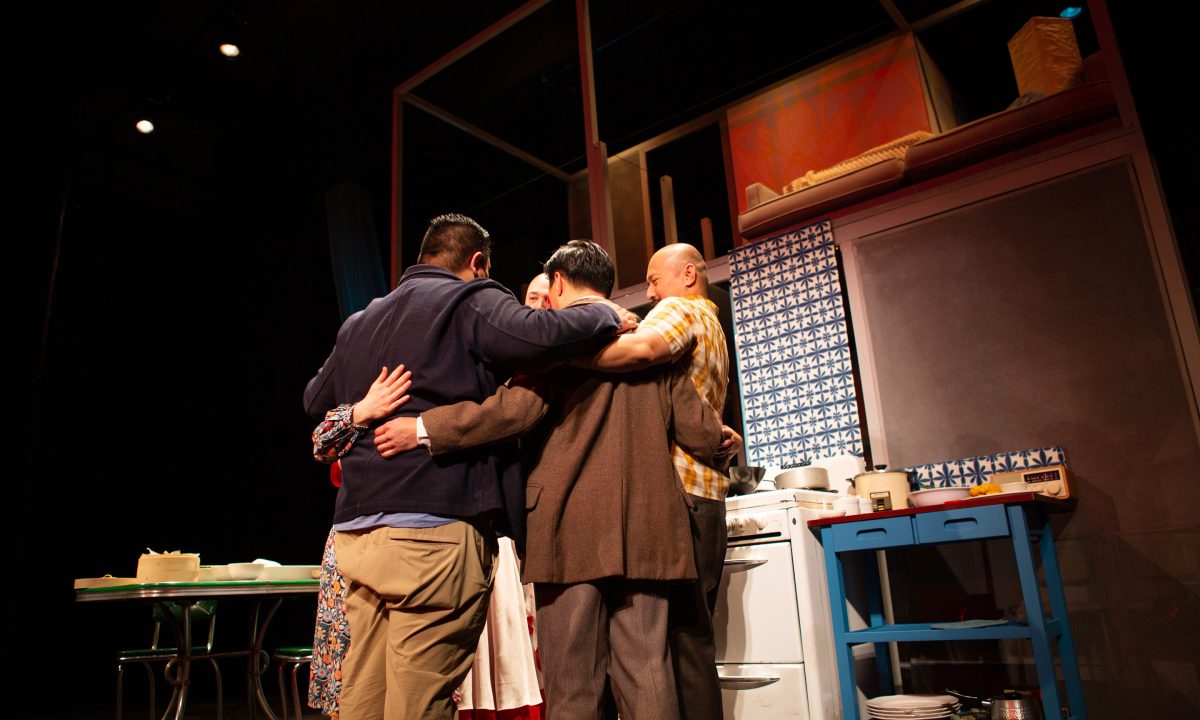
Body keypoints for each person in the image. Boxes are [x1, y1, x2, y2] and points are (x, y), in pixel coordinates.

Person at [373, 240, 729, 720]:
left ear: (558, 283)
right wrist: (726, 443)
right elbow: (698, 429)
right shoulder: (645, 339)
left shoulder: (552, 348)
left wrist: (422, 428)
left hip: (570, 531)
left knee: (573, 686)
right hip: (650, 534)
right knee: (647, 675)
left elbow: (510, 414)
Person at [302, 214, 630, 720]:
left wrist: (363, 403)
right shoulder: (467, 300)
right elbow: (538, 336)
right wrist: (604, 313)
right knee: (419, 701)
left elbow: (314, 398)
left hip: (356, 540)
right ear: (477, 263)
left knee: (364, 700)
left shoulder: (359, 323)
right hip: (430, 533)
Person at [583, 243, 731, 720]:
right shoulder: (713, 323)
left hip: (681, 495)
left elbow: (641, 350)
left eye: (653, 280)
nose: (649, 293)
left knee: (662, 642)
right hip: (708, 495)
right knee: (693, 640)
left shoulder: (680, 308)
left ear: (687, 274)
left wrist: (567, 355)